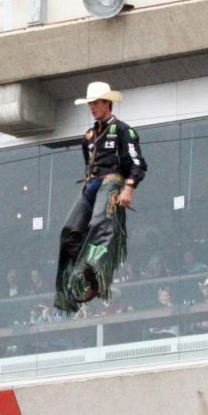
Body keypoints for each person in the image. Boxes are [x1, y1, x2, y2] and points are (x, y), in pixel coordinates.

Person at [55, 82, 147, 315]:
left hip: (112, 181)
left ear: (107, 103)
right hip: (92, 184)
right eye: (90, 104)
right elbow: (89, 165)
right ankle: (77, 279)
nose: (92, 108)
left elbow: (137, 164)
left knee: (100, 223)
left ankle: (95, 270)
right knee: (69, 231)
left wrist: (129, 187)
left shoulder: (124, 131)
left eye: (95, 103)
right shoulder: (88, 136)